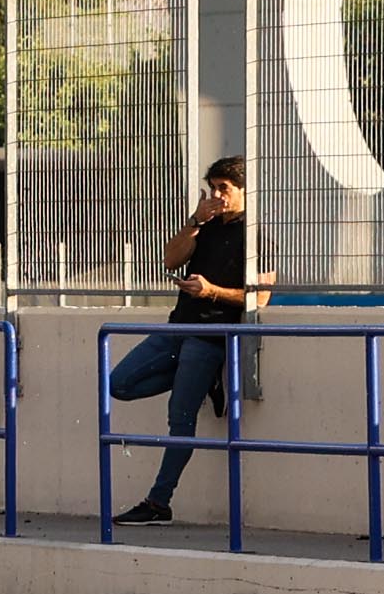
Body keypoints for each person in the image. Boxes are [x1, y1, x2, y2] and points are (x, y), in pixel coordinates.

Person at [112, 157, 268, 528]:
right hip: (177, 326)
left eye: (224, 189)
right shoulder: (206, 225)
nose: (217, 195)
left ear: (244, 191)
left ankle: (158, 502)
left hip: (211, 335)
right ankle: (202, 381)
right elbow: (169, 259)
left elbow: (260, 298)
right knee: (118, 383)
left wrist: (211, 291)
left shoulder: (256, 234)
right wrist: (196, 220)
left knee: (179, 417)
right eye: (212, 188)